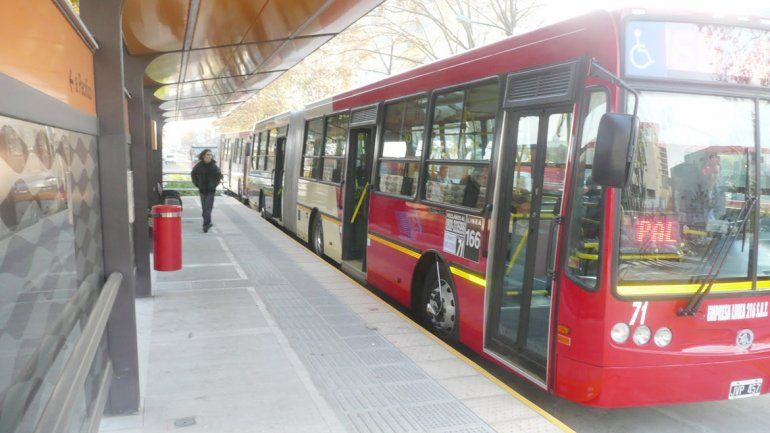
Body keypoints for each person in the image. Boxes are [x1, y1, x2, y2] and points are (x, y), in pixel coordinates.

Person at [191, 149, 222, 233]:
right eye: (208, 154)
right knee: (205, 209)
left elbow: (219, 177)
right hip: (202, 190)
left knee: (208, 208)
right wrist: (197, 184)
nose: (209, 156)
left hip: (211, 191)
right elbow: (193, 174)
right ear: (203, 155)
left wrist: (214, 184)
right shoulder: (199, 166)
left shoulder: (214, 166)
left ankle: (205, 225)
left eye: (210, 155)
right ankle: (208, 222)